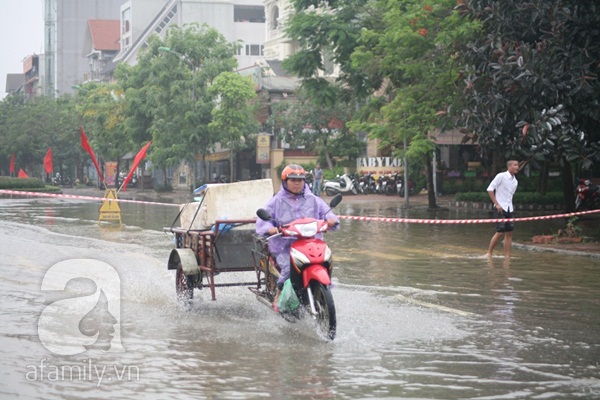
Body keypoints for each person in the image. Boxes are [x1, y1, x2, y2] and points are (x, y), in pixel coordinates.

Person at [256, 164, 339, 311]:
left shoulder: (313, 199)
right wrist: (270, 228)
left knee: (326, 259)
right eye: (293, 180)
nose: (297, 183)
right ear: (285, 181)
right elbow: (264, 221)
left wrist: (331, 219)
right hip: (284, 246)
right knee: (289, 266)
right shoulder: (276, 201)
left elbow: (326, 213)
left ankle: (322, 291)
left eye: (300, 180)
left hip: (311, 243)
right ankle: (279, 293)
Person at [486, 160, 520, 258]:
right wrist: (496, 204)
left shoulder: (515, 181)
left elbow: (510, 196)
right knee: (500, 231)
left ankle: (507, 256)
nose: (517, 167)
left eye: (517, 165)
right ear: (509, 166)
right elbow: (490, 189)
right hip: (500, 208)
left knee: (509, 233)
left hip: (510, 208)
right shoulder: (501, 176)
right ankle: (489, 253)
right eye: (515, 165)